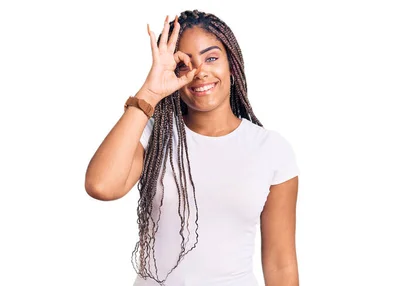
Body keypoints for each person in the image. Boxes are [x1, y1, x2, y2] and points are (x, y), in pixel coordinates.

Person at [84, 9, 300, 286]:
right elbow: (101, 186)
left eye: (211, 58)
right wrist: (150, 92)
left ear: (231, 65)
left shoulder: (270, 149)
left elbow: (280, 263)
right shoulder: (152, 136)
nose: (199, 73)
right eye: (183, 64)